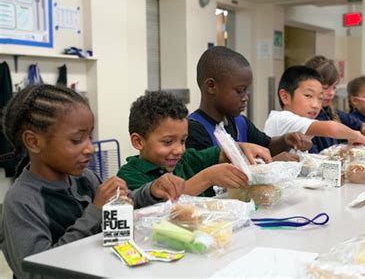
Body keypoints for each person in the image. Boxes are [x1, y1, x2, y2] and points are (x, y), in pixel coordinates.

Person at [0, 84, 185, 278]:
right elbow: (37, 272)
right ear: (34, 141)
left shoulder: (86, 178)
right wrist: (95, 212)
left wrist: (151, 191)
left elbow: (124, 202)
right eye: (77, 140)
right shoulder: (21, 201)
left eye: (90, 137)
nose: (90, 148)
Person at [117, 90, 272, 197]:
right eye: (168, 142)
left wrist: (241, 148)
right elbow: (162, 207)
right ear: (138, 141)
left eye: (183, 140)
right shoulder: (128, 177)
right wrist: (207, 177)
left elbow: (220, 155)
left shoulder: (186, 160)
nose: (179, 150)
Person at [186, 46, 312, 159]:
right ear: (211, 86)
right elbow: (211, 175)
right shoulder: (194, 130)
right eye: (240, 90)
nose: (245, 97)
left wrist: (286, 140)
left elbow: (267, 146)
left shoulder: (240, 122)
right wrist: (272, 163)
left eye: (247, 91)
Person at [264, 66, 365, 151]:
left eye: (320, 98)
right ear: (285, 97)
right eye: (308, 96)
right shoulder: (282, 118)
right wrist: (355, 135)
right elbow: (332, 128)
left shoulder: (304, 122)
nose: (316, 105)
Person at [304, 56, 365, 151]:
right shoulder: (307, 116)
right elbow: (332, 129)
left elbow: (353, 122)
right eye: (325, 87)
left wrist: (364, 126)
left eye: (334, 87)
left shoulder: (330, 111)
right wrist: (354, 135)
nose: (331, 93)